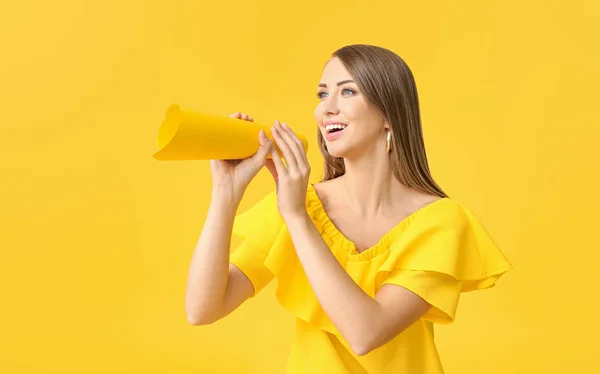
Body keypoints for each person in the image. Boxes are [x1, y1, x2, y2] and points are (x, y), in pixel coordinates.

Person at [185, 44, 512, 373]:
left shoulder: (441, 222)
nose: (327, 108)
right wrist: (225, 193)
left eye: (348, 92)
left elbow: (366, 333)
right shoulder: (299, 203)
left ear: (388, 114)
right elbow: (202, 309)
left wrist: (297, 218)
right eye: (322, 94)